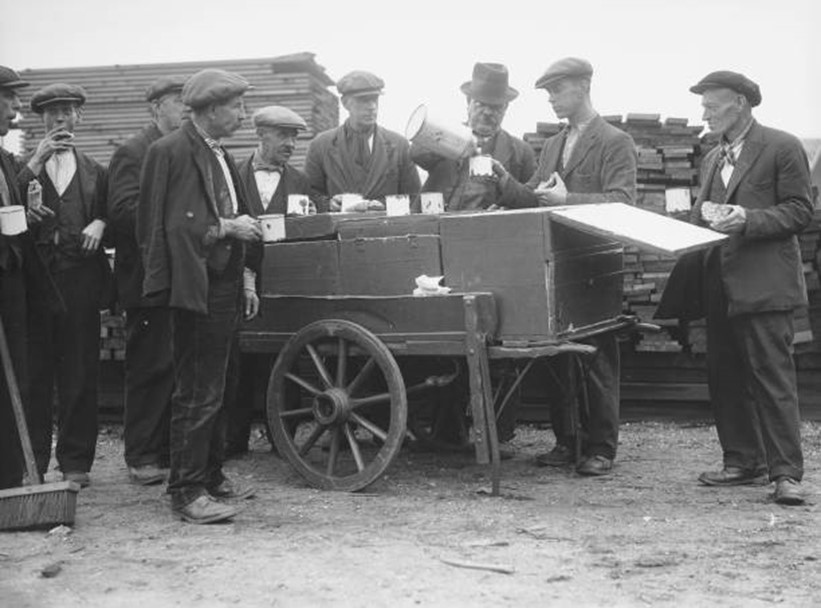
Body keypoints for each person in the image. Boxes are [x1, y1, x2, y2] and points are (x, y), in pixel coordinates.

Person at [658, 71, 812, 505]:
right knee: (724, 376)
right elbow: (706, 220)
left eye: (712, 105)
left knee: (772, 378)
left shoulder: (781, 146)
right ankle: (743, 461)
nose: (704, 113)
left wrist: (748, 218)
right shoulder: (712, 159)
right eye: (703, 105)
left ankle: (786, 476)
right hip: (719, 287)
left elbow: (801, 212)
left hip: (764, 287)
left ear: (740, 103)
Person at [501, 57, 637, 476]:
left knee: (597, 359)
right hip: (557, 262)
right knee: (560, 357)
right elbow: (536, 197)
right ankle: (567, 440)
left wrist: (567, 202)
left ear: (584, 86)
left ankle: (601, 448)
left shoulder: (616, 141)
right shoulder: (554, 144)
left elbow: (624, 203)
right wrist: (503, 182)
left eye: (558, 91)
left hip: (596, 264)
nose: (552, 100)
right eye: (548, 93)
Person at [138, 68, 262, 524]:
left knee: (221, 385)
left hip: (226, 283)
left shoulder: (220, 154)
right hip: (195, 286)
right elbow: (164, 227)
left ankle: (210, 478)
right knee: (196, 389)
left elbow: (238, 214)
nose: (243, 115)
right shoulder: (168, 152)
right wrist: (226, 228)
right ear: (211, 110)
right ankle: (186, 491)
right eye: (236, 107)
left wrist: (247, 276)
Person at [17, 83, 111, 488]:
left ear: (79, 117)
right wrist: (35, 162)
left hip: (80, 281)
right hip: (35, 283)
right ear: (41, 119)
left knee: (79, 372)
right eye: (53, 113)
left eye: (68, 112)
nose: (61, 120)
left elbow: (116, 213)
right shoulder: (21, 166)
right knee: (34, 375)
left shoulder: (96, 172)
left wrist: (101, 222)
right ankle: (32, 461)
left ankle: (75, 463)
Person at [107, 75, 186, 485]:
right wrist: (178, 220)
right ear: (156, 108)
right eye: (178, 102)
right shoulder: (133, 152)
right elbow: (122, 212)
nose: (186, 109)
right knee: (148, 367)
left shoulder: (180, 150)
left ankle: (167, 450)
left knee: (174, 366)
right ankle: (140, 454)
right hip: (145, 280)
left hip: (179, 279)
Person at [224, 105, 314, 457]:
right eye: (282, 135)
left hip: (284, 283)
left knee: (284, 358)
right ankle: (233, 440)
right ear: (261, 135)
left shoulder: (301, 182)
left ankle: (284, 439)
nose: (290, 143)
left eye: (294, 136)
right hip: (237, 280)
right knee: (238, 359)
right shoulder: (233, 175)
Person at [0, 67, 60, 489]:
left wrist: (26, 212)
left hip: (12, 285)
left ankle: (8, 478)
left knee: (13, 381)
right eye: (9, 97)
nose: (17, 107)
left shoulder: (5, 159)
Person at [412, 62, 535, 211]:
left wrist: (506, 182)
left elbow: (532, 200)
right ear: (468, 102)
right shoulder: (446, 133)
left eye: (496, 107)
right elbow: (415, 153)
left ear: (506, 108)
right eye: (481, 104)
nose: (488, 112)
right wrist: (453, 143)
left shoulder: (521, 151)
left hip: (488, 231)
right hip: (437, 228)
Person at [304, 70, 420, 210]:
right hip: (339, 230)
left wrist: (385, 206)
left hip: (387, 229)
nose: (372, 107)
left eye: (374, 99)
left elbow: (414, 197)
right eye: (363, 100)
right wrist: (327, 204)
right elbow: (309, 195)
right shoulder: (321, 145)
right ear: (346, 103)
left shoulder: (399, 145)